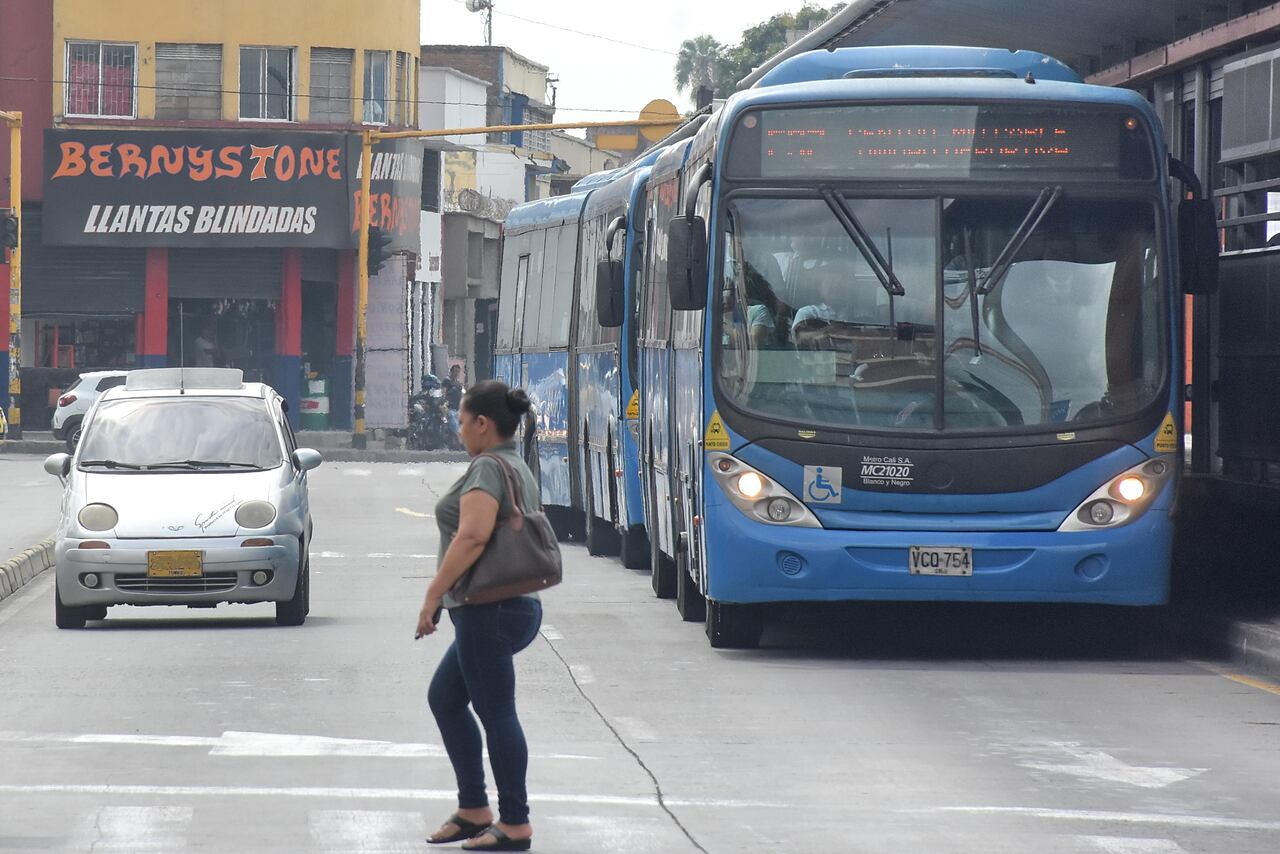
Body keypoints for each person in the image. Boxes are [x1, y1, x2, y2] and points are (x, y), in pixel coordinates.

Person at [417, 380, 543, 852]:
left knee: (496, 712)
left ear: (483, 424)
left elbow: (472, 536)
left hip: (489, 608)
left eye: (463, 420)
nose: (459, 429)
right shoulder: (513, 463)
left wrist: (433, 594)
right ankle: (473, 809)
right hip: (511, 605)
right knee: (446, 698)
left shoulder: (488, 468)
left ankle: (515, 822)